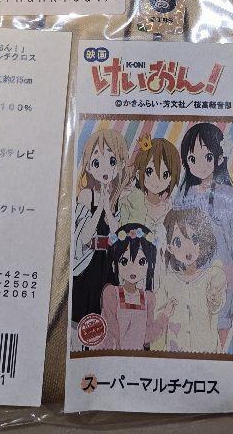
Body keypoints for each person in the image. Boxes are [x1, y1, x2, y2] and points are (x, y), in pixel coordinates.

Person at [172, 122, 233, 349]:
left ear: (219, 158)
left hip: (223, 268)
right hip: (191, 268)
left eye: (207, 157)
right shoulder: (183, 194)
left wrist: (232, 269)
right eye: (192, 158)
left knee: (221, 319)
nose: (199, 165)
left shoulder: (229, 195)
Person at [71, 127, 129, 327]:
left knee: (109, 311)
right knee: (86, 310)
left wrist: (109, 209)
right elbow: (84, 237)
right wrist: (99, 209)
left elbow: (119, 235)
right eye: (97, 162)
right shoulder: (86, 195)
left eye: (112, 161)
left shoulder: (119, 197)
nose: (105, 168)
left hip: (109, 262)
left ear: (120, 164)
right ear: (89, 166)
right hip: (89, 261)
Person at [155, 206, 226, 354]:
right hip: (176, 351)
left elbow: (216, 307)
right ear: (170, 248)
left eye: (194, 239)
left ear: (203, 241)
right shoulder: (168, 281)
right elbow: (156, 314)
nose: (187, 248)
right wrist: (165, 313)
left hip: (207, 351)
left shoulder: (210, 277)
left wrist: (214, 298)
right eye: (178, 242)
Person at [97, 223, 174, 351]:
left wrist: (164, 315)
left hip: (137, 357)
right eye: (124, 261)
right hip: (114, 355)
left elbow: (146, 337)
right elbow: (111, 332)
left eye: (141, 261)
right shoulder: (111, 294)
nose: (133, 268)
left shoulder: (148, 298)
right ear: (114, 264)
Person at [118, 134, 180, 250]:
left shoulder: (170, 206)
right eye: (149, 171)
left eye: (165, 174)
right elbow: (123, 234)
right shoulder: (132, 203)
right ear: (138, 174)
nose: (157, 180)